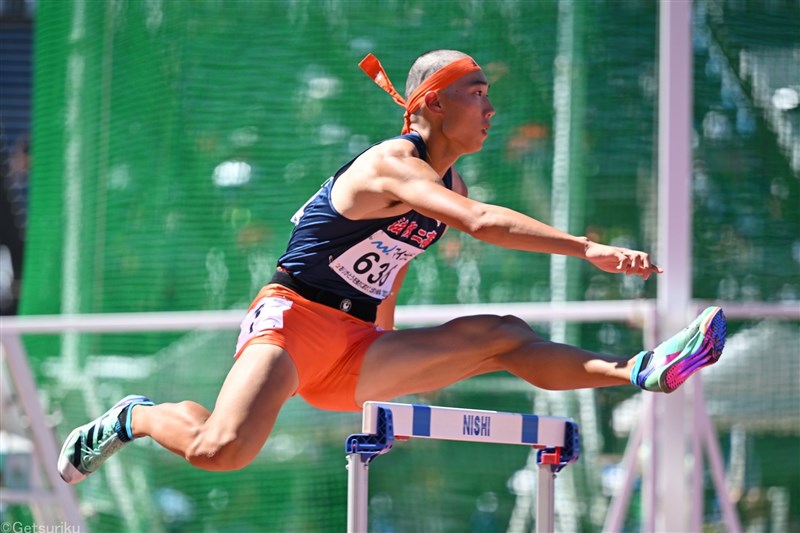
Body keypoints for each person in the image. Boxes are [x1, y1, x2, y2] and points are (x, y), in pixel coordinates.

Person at [58, 50, 726, 483]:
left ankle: (640, 369)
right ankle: (135, 417)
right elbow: (486, 224)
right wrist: (588, 248)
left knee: (500, 332)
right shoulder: (391, 163)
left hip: (356, 345)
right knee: (219, 450)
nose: (491, 107)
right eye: (476, 92)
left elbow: (391, 267)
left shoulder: (448, 187)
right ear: (432, 102)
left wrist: (386, 359)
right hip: (292, 322)